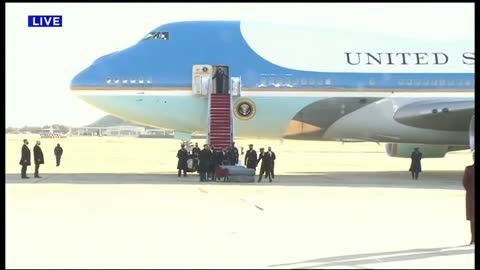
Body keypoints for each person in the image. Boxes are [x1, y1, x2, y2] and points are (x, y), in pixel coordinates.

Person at [462, 152, 475, 245]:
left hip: (471, 197)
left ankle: (473, 239)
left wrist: (470, 190)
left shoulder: (469, 169)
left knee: (473, 219)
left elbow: (465, 183)